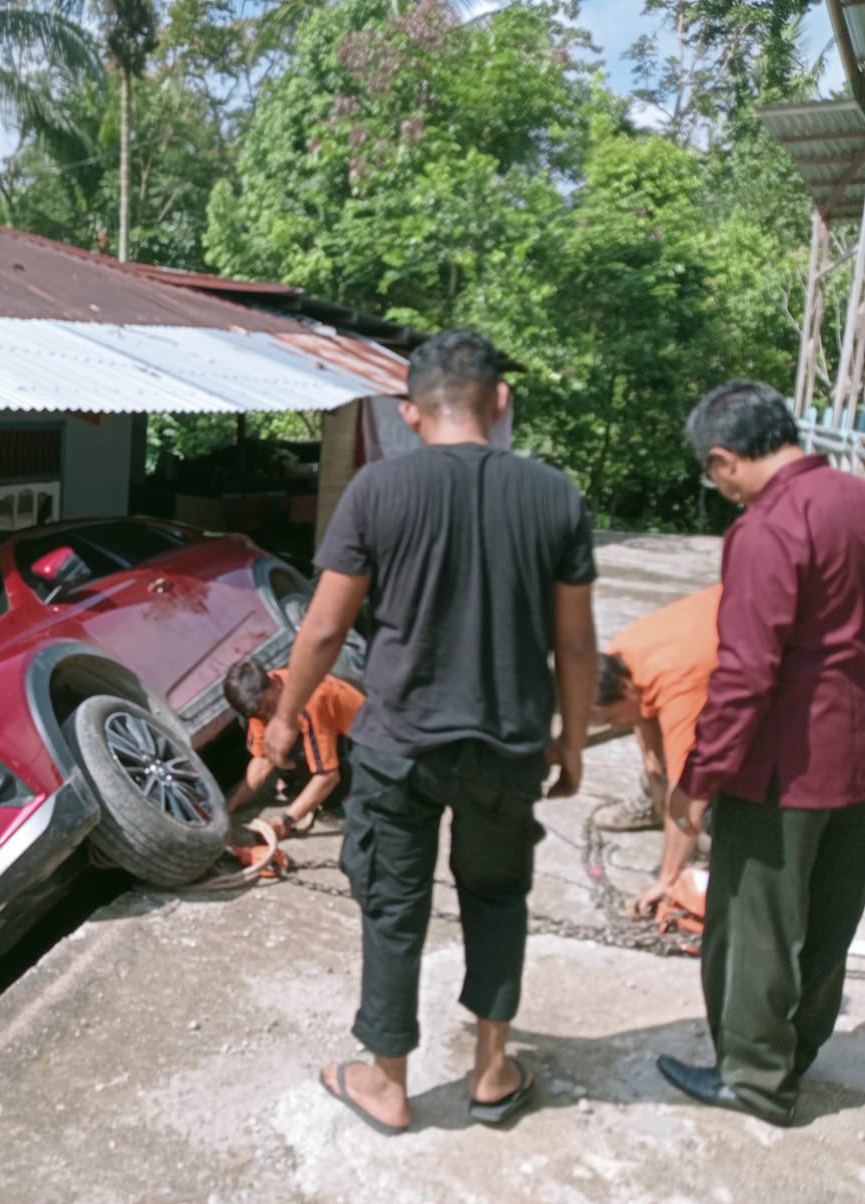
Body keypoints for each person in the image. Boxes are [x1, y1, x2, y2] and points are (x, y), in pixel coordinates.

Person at [265, 329, 597, 1134]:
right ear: (502, 400)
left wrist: (283, 719)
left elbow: (320, 632)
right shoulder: (555, 496)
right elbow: (577, 644)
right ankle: (491, 1071)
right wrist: (574, 742)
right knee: (495, 898)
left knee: (393, 907)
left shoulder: (377, 493)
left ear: (410, 413)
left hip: (398, 748)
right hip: (507, 747)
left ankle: (386, 1083)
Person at [655, 380, 865, 1127]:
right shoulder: (854, 498)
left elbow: (746, 670)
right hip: (857, 758)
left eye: (714, 475)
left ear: (724, 459)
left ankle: (753, 1076)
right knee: (830, 921)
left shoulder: (770, 526)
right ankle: (796, 1056)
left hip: (785, 766)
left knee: (755, 928)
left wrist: (700, 776)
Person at [588, 585, 721, 916]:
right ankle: (655, 806)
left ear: (624, 689)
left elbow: (688, 789)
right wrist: (652, 767)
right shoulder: (621, 657)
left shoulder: (679, 688)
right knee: (662, 773)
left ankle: (712, 827)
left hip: (776, 636)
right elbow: (640, 707)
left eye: (612, 717)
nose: (616, 725)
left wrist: (666, 879)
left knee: (700, 797)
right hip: (709, 631)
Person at [222, 656, 364, 840]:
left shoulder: (309, 701)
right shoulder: (261, 702)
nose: (267, 717)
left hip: (361, 742)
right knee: (279, 739)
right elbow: (263, 758)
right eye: (261, 715)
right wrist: (231, 804)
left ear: (275, 685)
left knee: (353, 809)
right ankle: (310, 790)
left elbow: (328, 775)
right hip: (331, 738)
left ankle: (342, 797)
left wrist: (287, 821)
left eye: (268, 708)